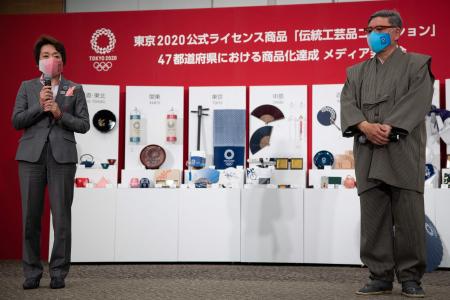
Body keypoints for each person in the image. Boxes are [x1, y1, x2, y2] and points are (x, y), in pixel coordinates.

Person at [340, 10, 434, 298]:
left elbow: (418, 100)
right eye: (369, 29)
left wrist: (390, 127)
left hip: (402, 149)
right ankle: (379, 275)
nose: (373, 34)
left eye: (380, 28)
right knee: (373, 217)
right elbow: (347, 104)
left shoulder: (417, 64)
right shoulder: (355, 72)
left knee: (409, 218)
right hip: (368, 151)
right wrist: (365, 126)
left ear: (397, 32)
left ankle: (410, 278)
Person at [12, 35, 90, 289]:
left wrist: (60, 113)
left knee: (61, 218)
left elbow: (84, 125)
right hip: (31, 158)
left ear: (63, 62)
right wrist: (39, 106)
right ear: (38, 63)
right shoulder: (27, 87)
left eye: (56, 55)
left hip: (62, 158)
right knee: (30, 218)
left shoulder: (75, 88)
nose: (51, 59)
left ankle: (58, 273)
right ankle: (32, 273)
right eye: (45, 56)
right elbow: (17, 121)